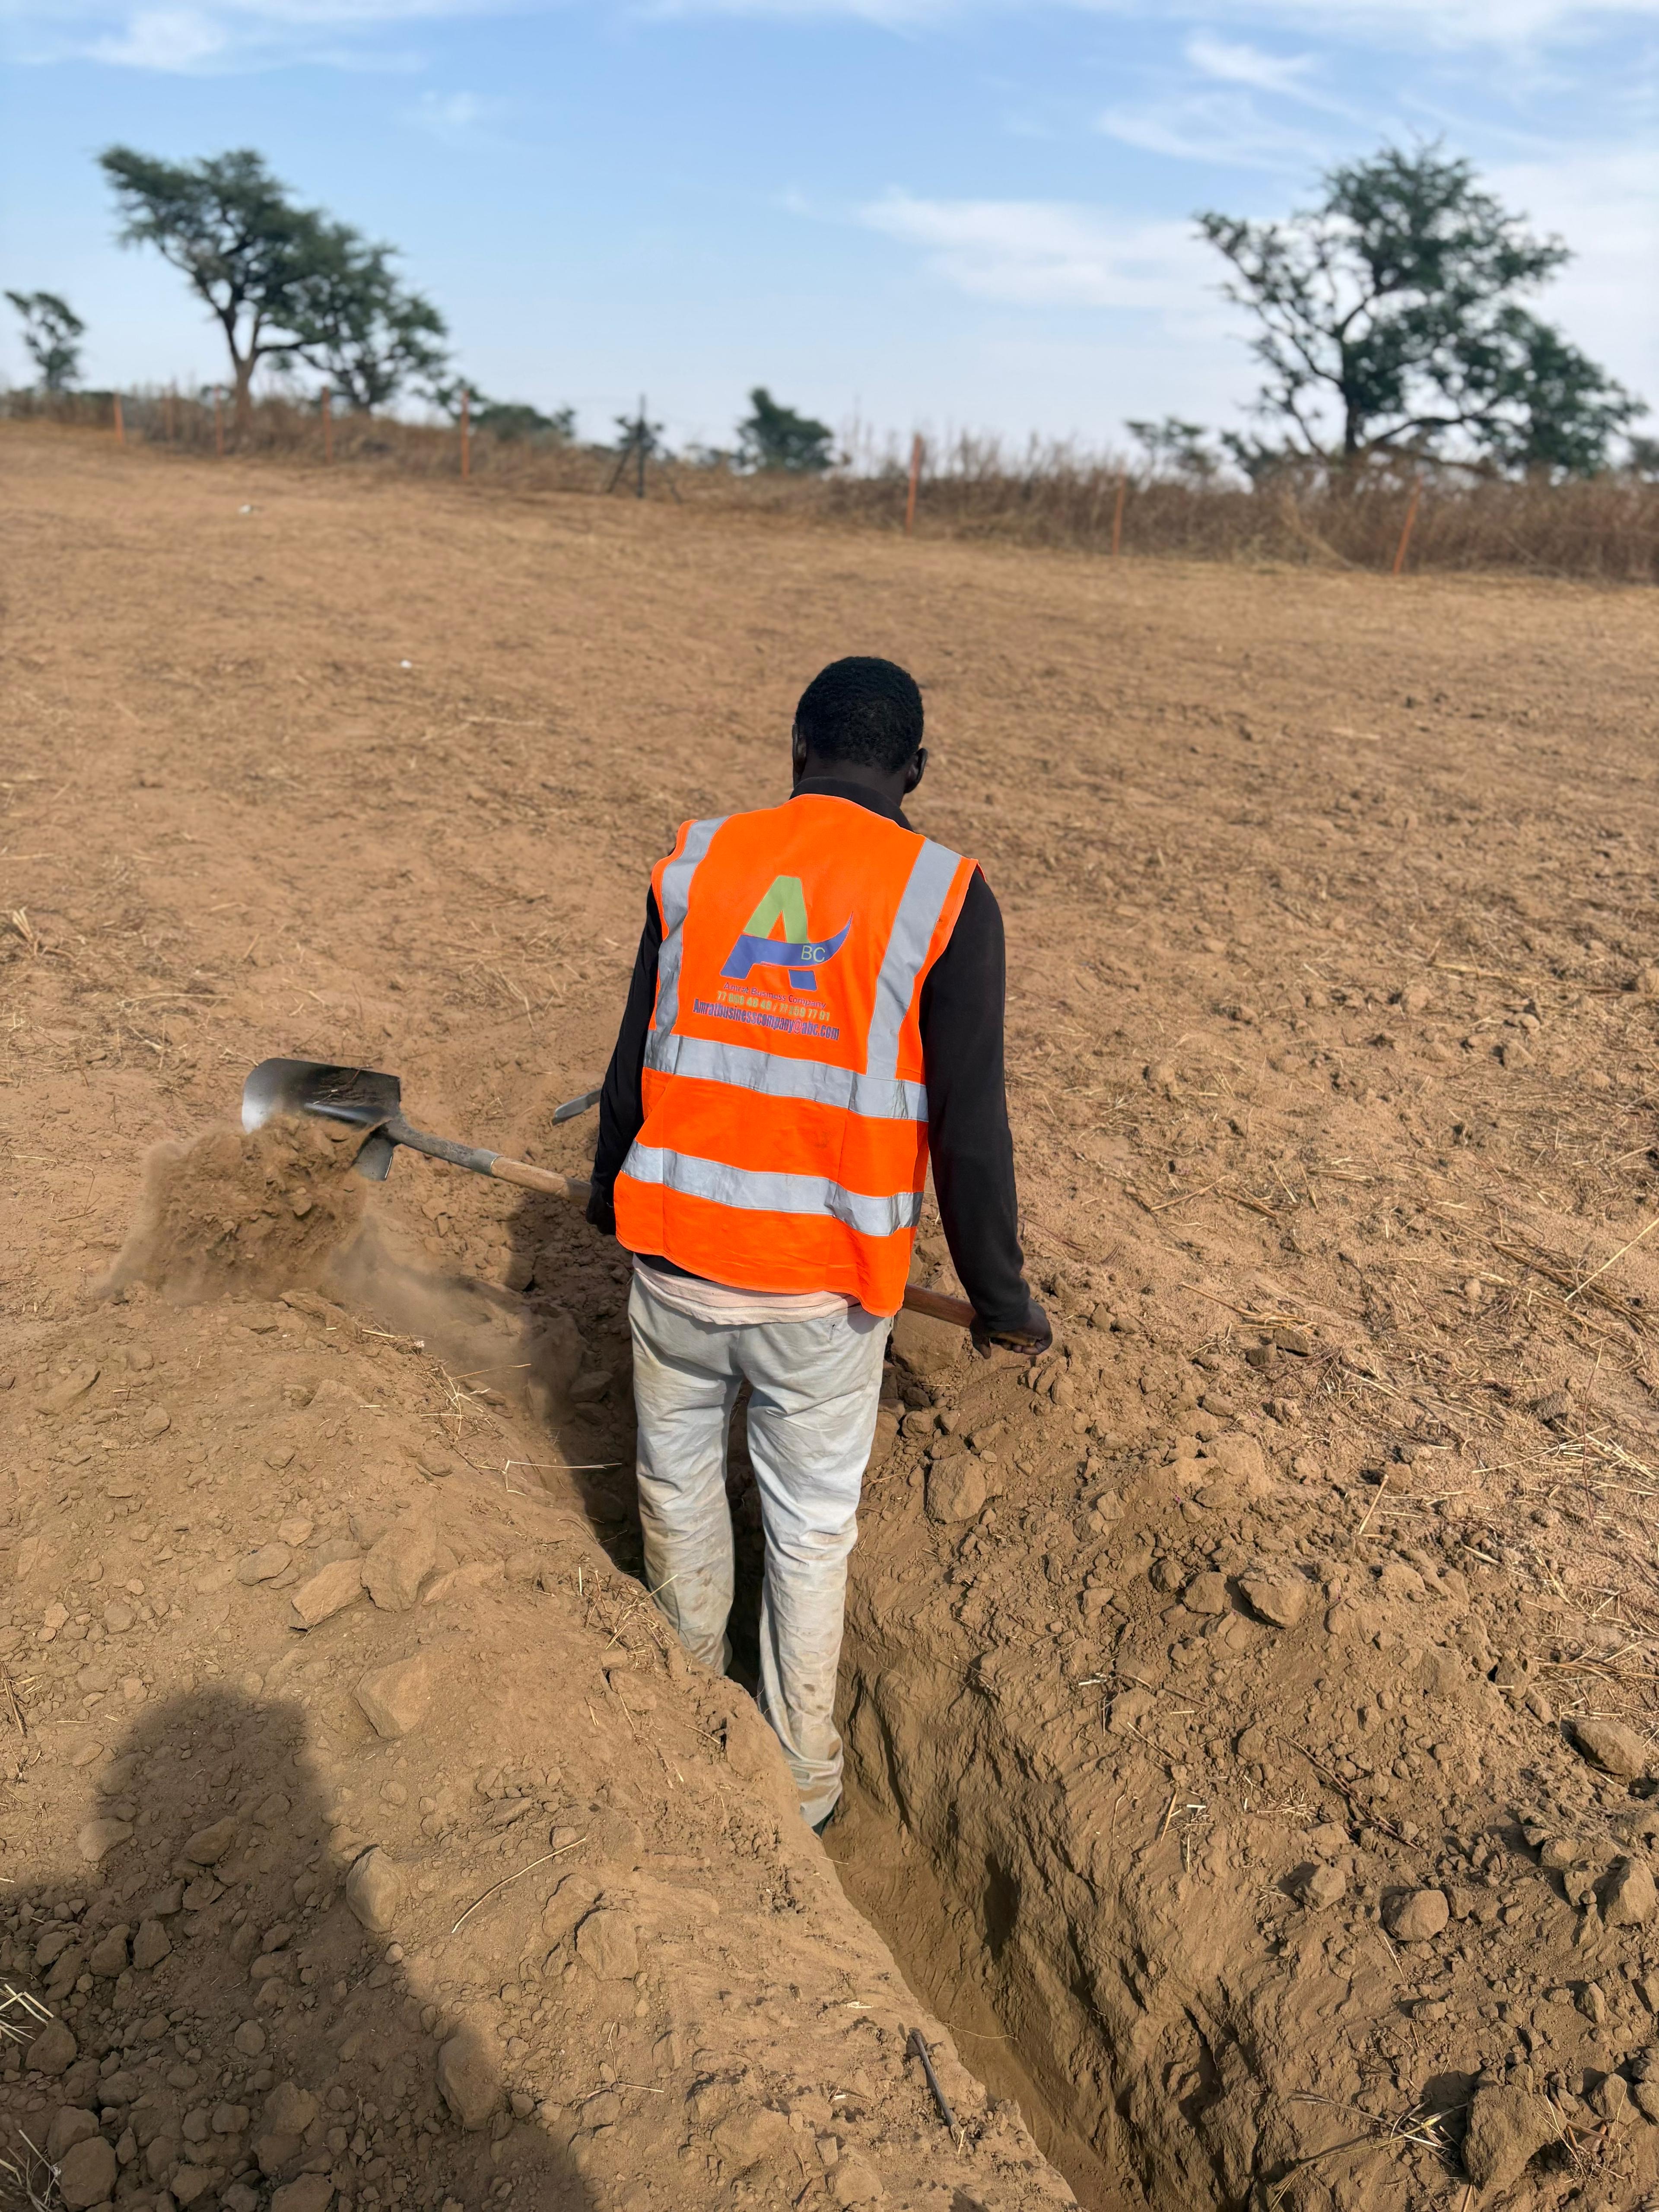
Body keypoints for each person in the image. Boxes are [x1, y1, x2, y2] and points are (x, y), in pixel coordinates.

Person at [586, 655, 1049, 1832]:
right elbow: (972, 1127)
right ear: (915, 772)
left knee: (678, 1490)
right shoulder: (945, 895)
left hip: (675, 1267)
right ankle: (801, 1792)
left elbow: (635, 1055)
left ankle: (692, 1732)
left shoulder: (698, 861)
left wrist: (608, 1197)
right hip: (823, 1301)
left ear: (794, 748)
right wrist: (1001, 1297)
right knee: (807, 1535)